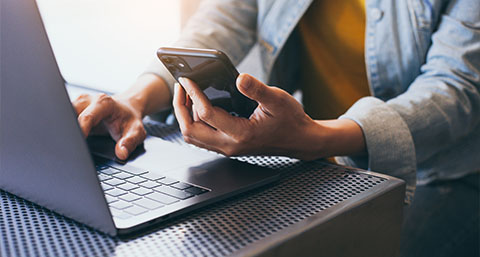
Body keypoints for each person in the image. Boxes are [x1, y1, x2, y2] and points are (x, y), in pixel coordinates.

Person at [73, 0, 480, 205]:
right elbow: (224, 19)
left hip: (442, 170)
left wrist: (313, 138)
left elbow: (456, 88)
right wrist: (136, 99)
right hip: (314, 151)